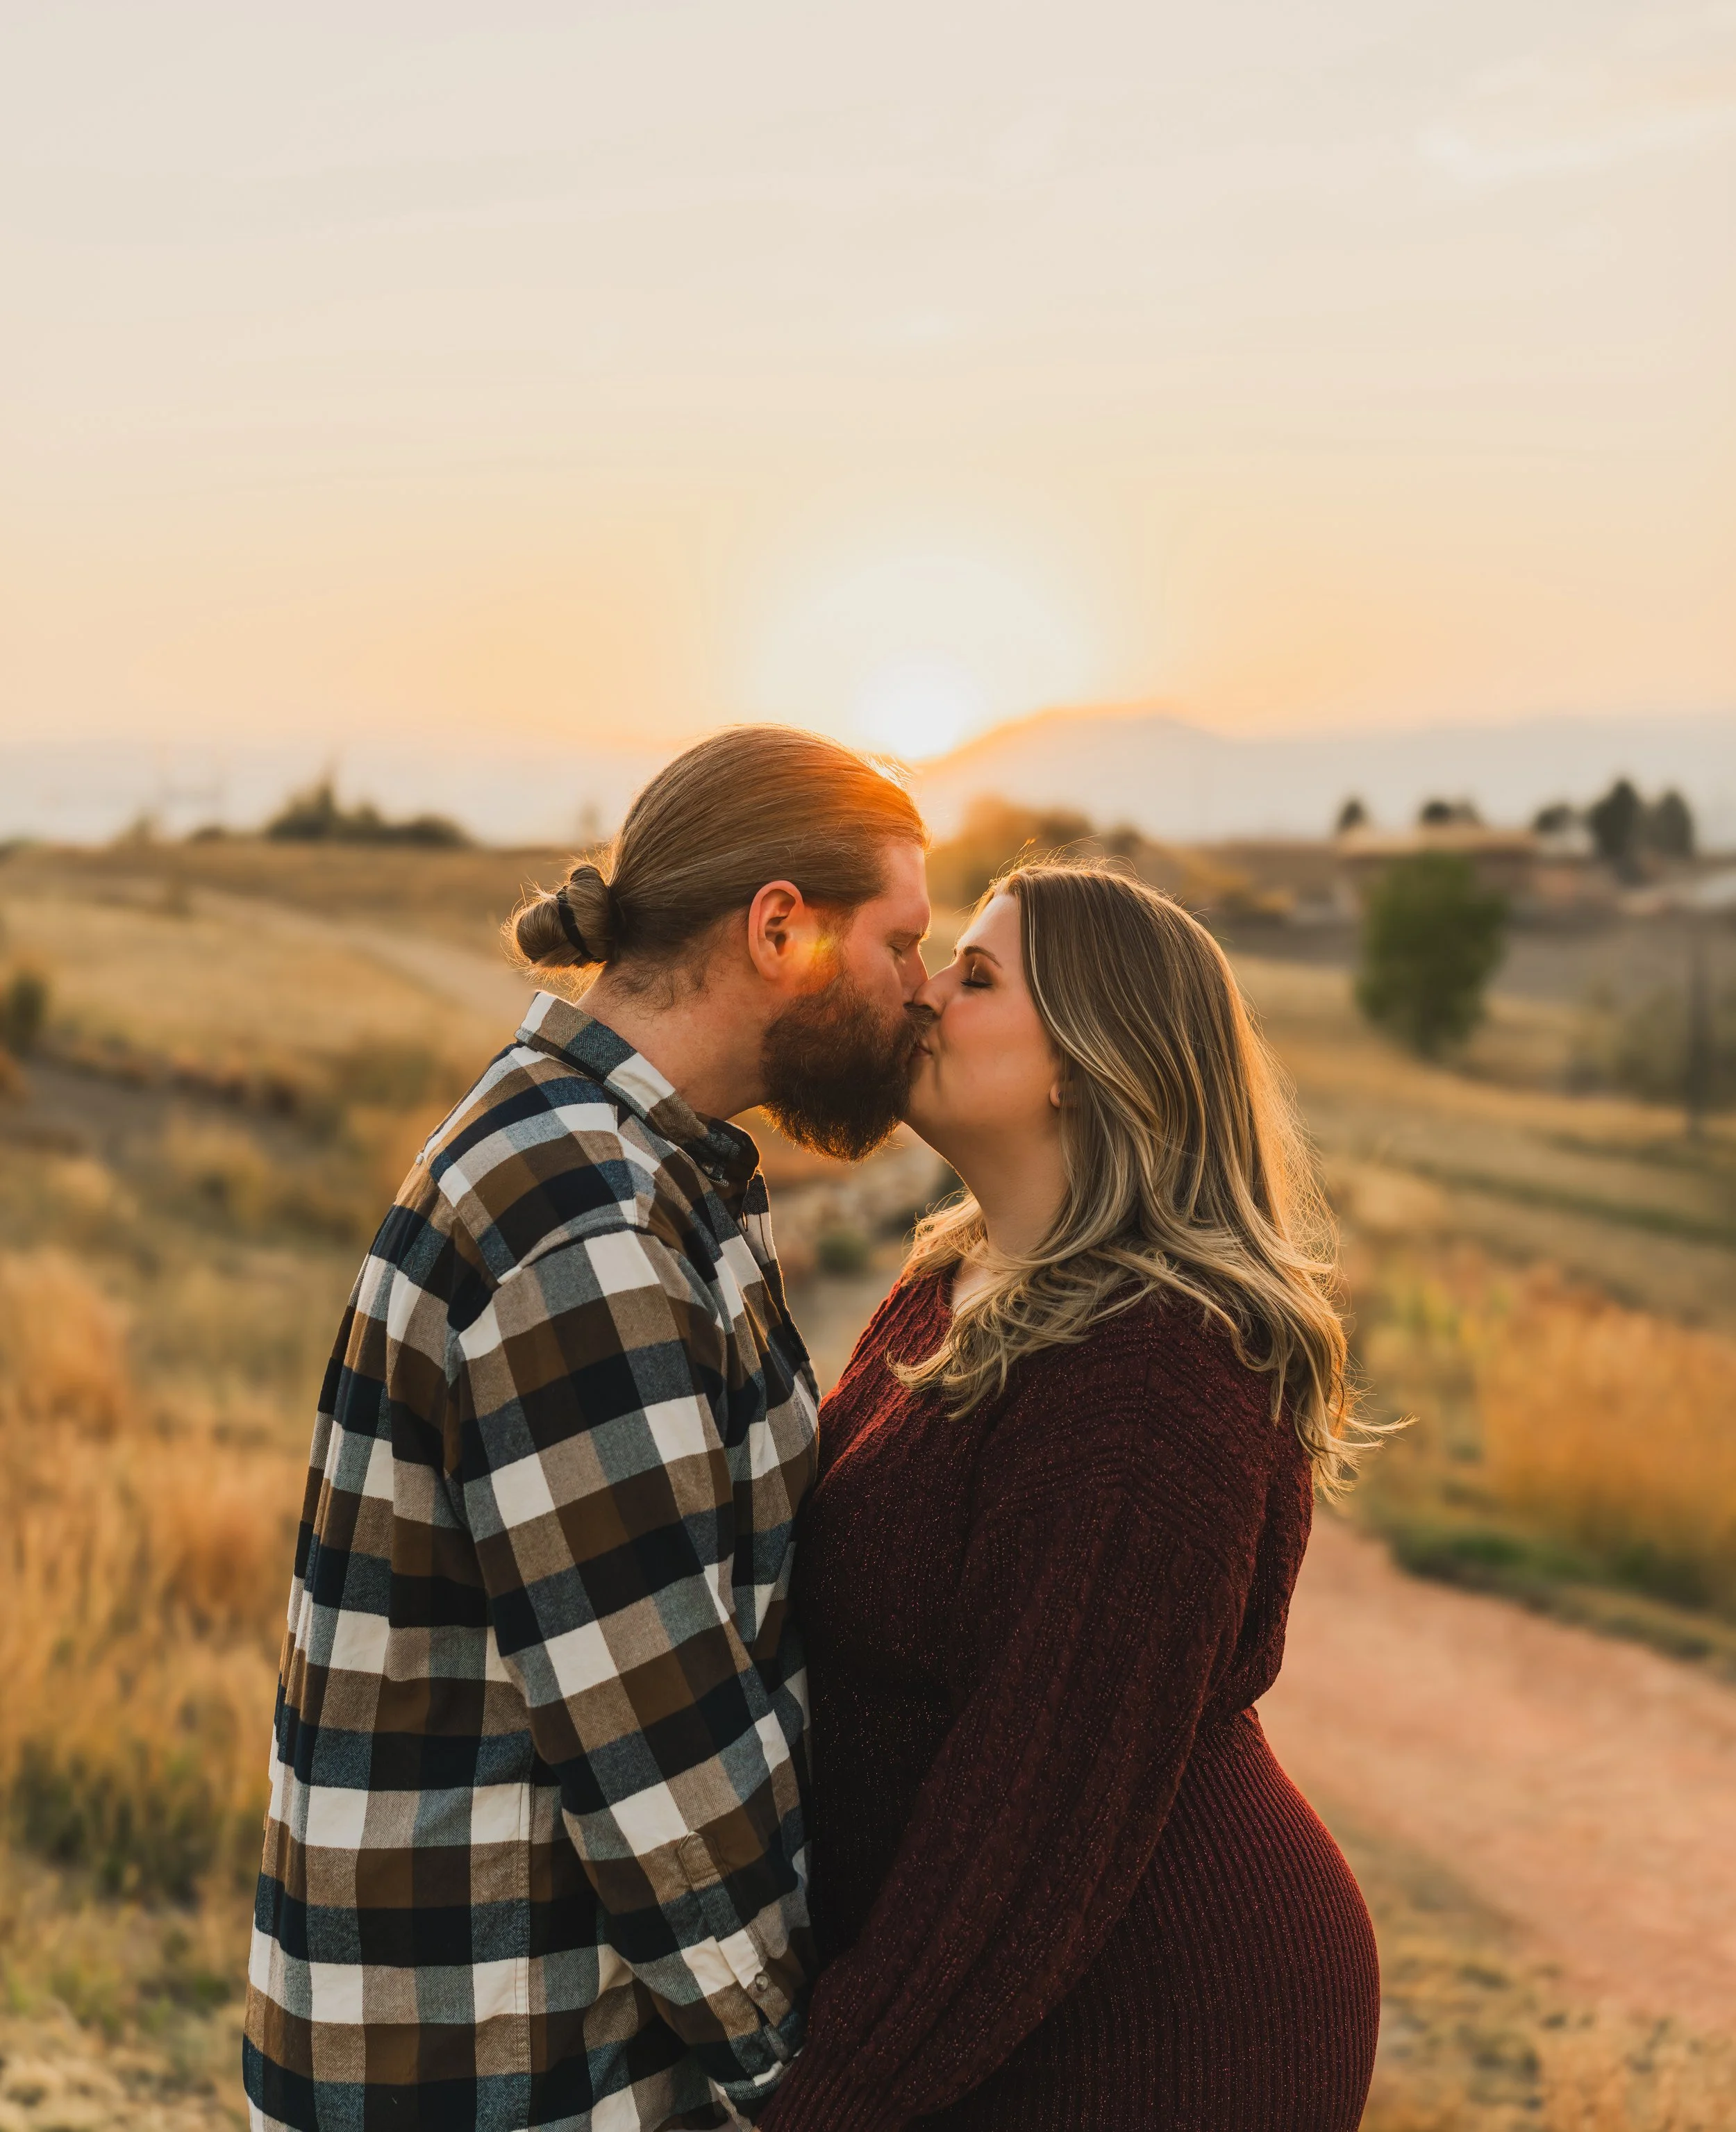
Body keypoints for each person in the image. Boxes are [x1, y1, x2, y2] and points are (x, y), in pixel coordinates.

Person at [242, 726, 930, 2132]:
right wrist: (812, 2087)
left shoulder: (623, 1164)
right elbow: (660, 1755)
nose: (920, 991)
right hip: (502, 2068)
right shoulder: (593, 1230)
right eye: (904, 943)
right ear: (781, 928)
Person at [758, 862, 1385, 2132]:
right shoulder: (959, 1275)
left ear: (1086, 1067)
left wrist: (818, 2106)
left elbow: (1031, 1820)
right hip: (1002, 1999)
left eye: (977, 976)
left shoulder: (1152, 1374)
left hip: (1153, 2032)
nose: (923, 991)